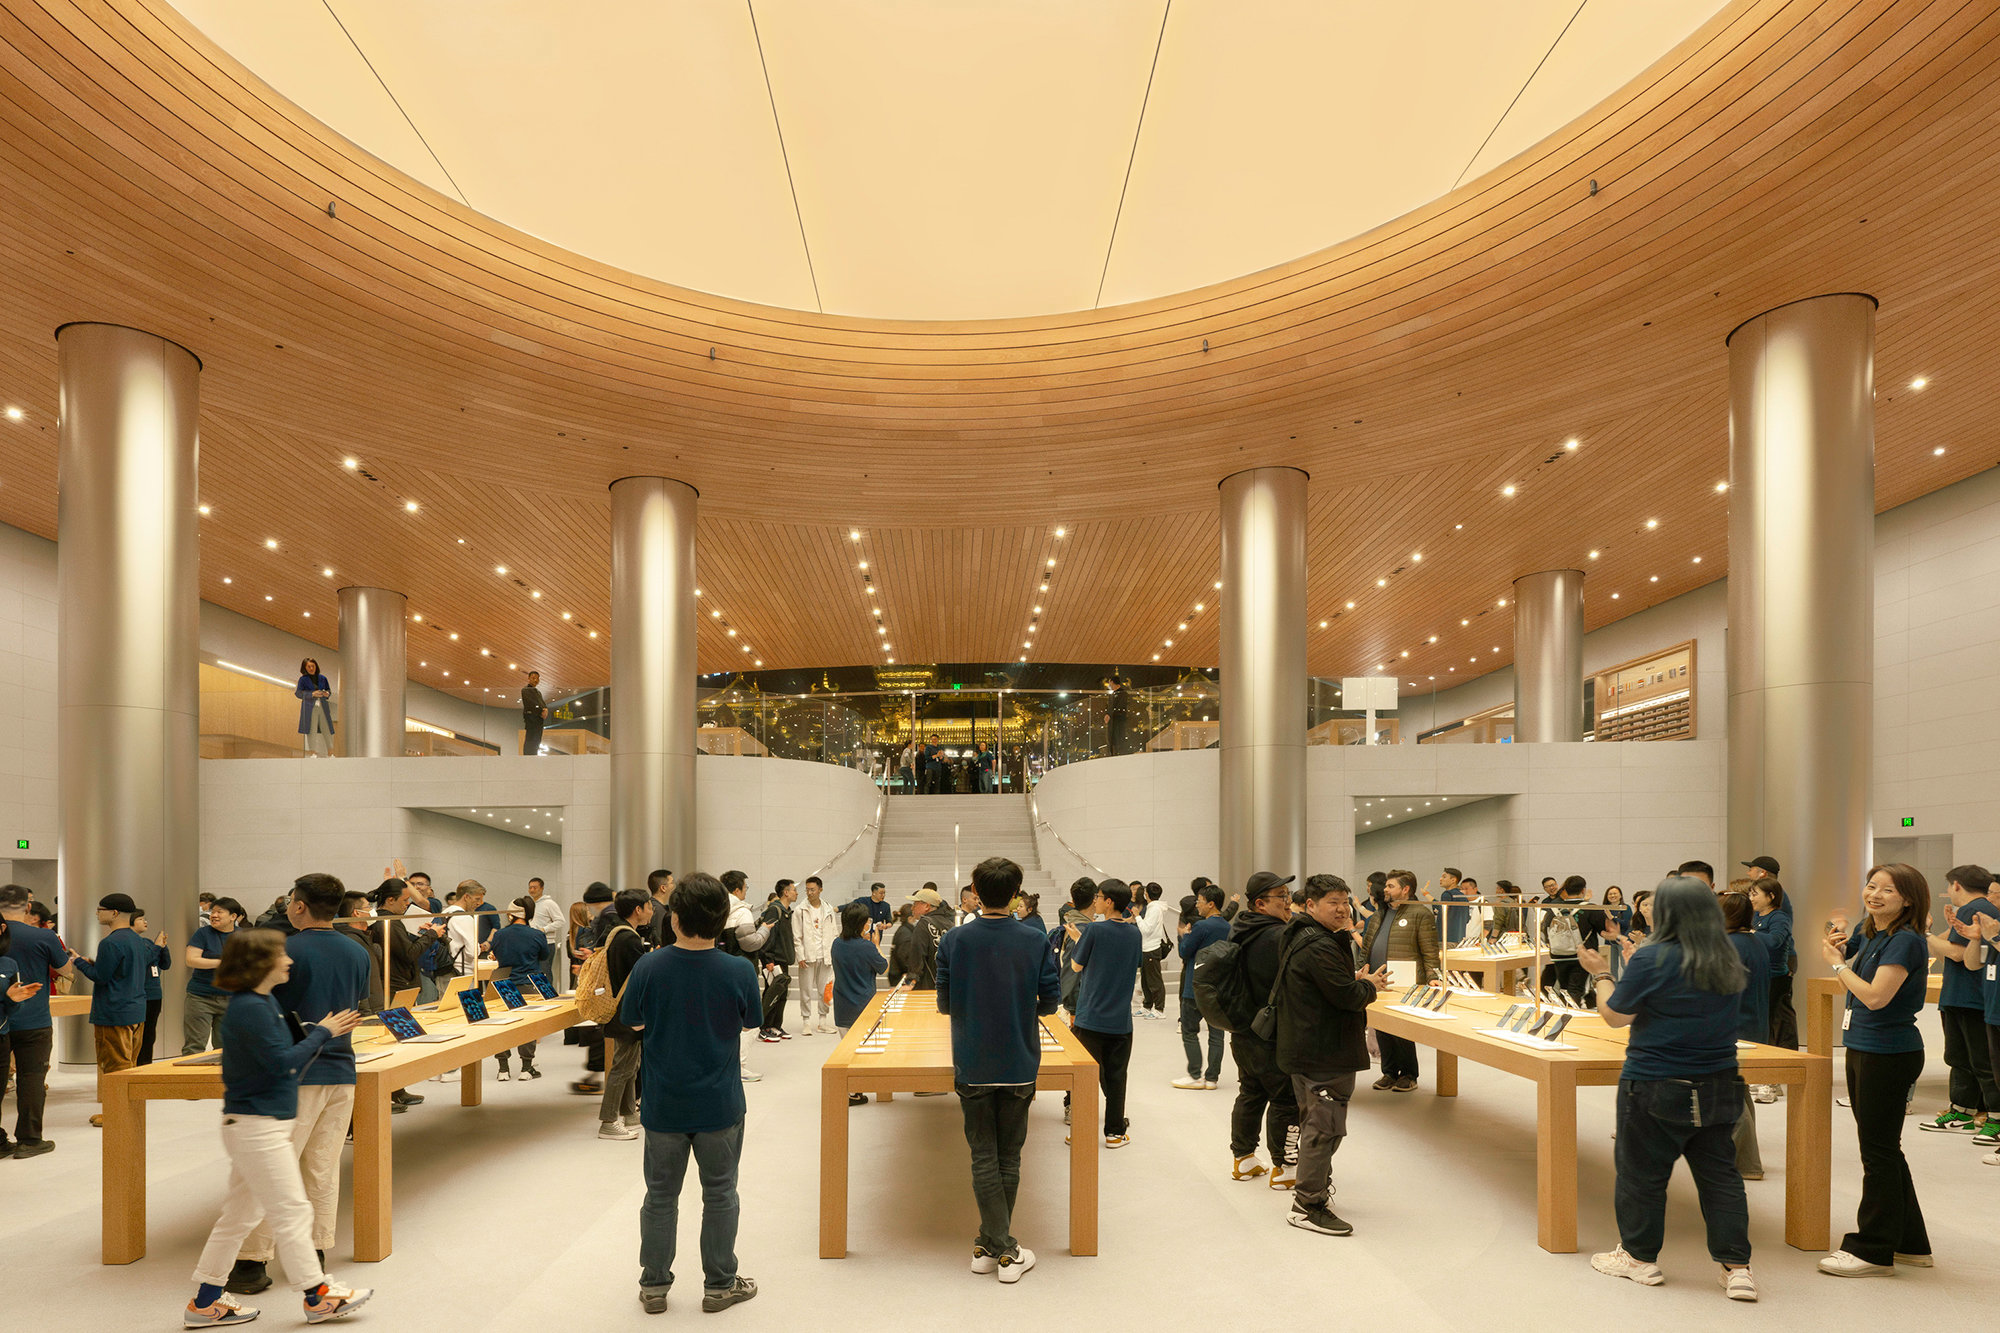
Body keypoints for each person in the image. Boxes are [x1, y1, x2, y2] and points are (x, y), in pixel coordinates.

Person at [1574, 877, 1755, 1300]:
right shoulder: (1726, 954)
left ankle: (1639, 1259)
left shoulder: (1654, 956)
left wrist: (1601, 974)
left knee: (1642, 1174)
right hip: (1719, 1079)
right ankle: (1737, 1267)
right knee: (1721, 1177)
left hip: (1654, 1079)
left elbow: (1616, 1016)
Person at [182, 928, 370, 1327]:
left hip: (254, 1124)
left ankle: (205, 1302)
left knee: (238, 1218)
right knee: (292, 1211)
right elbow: (281, 1065)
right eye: (281, 955)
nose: (289, 961)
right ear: (261, 964)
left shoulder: (259, 1003)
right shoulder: (251, 1007)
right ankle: (317, 1297)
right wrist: (323, 1032)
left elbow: (279, 1060)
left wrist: (316, 1035)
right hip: (257, 1127)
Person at [223, 874, 373, 1297]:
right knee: (322, 1168)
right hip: (342, 1069)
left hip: (295, 1073)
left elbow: (267, 1011)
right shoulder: (357, 950)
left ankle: (253, 1261)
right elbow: (356, 1004)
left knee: (272, 1170)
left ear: (300, 905)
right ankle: (316, 1252)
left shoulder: (283, 951)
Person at [619, 872, 761, 1314]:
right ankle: (720, 1284)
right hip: (720, 1101)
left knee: (660, 1195)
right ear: (723, 919)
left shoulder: (649, 965)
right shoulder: (739, 968)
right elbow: (749, 1023)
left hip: (664, 1102)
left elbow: (634, 1023)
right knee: (720, 1193)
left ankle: (654, 1286)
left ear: (674, 917)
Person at [936, 856, 1060, 1283]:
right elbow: (1050, 1001)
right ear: (1016, 893)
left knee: (982, 1155)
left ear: (974, 889)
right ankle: (1006, 1249)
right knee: (1010, 1154)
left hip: (972, 1060)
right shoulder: (1035, 939)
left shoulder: (954, 940)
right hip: (1020, 1059)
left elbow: (944, 1003)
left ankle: (991, 1244)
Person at [1817, 862, 1932, 1277]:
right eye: (1870, 885)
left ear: (1908, 899)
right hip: (1865, 1047)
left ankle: (1873, 1249)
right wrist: (1843, 951)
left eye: (1887, 889)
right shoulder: (1875, 933)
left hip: (1889, 1052)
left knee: (1878, 1152)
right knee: (1885, 1149)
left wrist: (1836, 964)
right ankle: (1910, 1243)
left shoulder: (1905, 941)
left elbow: (1876, 997)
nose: (1875, 894)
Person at [1274, 875, 1388, 1236]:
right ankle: (1307, 1205)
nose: (1342, 909)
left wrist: (1350, 979)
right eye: (1332, 903)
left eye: (1345, 901)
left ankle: (1315, 1190)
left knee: (1318, 1124)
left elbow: (1328, 987)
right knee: (1324, 1128)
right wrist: (1366, 986)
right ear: (1311, 905)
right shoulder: (1319, 945)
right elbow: (1347, 997)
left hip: (1310, 1046)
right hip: (1322, 1051)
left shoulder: (1304, 935)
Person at [1227, 871, 1300, 1185]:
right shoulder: (1277, 936)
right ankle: (1284, 1168)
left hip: (1243, 1029)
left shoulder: (1240, 929)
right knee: (1286, 1099)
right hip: (1273, 1032)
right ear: (1260, 903)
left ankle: (1243, 1159)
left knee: (1250, 1092)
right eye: (1281, 896)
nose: (1288, 902)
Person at [1920, 865, 1999, 1137]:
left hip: (1970, 998)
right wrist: (1930, 935)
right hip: (1964, 997)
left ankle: (1992, 1118)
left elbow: (1954, 953)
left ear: (1956, 885)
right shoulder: (1974, 910)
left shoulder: (1973, 909)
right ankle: (1962, 1110)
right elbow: (1951, 947)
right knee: (1961, 1058)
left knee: (1979, 1061)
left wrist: (1925, 934)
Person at [1068, 879, 1142, 1148]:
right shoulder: (1135, 933)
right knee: (1116, 1078)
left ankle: (1080, 1131)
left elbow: (1076, 966)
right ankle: (1114, 1133)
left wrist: (1079, 940)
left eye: (1099, 897)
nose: (1096, 900)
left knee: (1084, 1078)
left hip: (1089, 1018)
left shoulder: (1094, 931)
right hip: (1120, 1021)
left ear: (1109, 901)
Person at [69, 893, 150, 1128]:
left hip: (114, 1012)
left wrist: (79, 962)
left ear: (114, 913)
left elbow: (101, 977)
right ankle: (128, 1109)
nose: (97, 913)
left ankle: (116, 1113)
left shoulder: (111, 942)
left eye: (100, 909)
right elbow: (121, 972)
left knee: (115, 1067)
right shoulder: (137, 940)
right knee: (129, 1064)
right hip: (135, 1009)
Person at [1, 883, 69, 1159]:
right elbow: (64, 968)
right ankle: (29, 1139)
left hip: (2, 1020)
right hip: (34, 1019)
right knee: (32, 1077)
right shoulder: (43, 936)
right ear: (28, 907)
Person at [1359, 870, 1440, 1093]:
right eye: (1386, 886)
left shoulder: (1420, 913)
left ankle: (1408, 1074)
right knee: (1383, 1027)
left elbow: (1430, 951)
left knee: (1402, 1030)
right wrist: (1361, 968)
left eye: (1391, 886)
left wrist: (1433, 977)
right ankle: (1389, 1072)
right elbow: (1366, 948)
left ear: (1405, 889)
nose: (1385, 889)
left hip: (1406, 982)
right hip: (1378, 980)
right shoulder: (1378, 915)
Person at [1718, 892, 1772, 1181]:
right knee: (1739, 1090)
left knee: (1730, 1097)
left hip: (1733, 1028)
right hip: (1753, 1024)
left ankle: (1747, 1163)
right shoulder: (1755, 941)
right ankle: (1743, 1160)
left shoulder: (1729, 945)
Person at [599, 889, 657, 1140]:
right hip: (628, 1013)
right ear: (638, 910)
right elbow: (639, 978)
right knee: (623, 1067)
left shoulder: (617, 933)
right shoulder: (629, 939)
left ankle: (628, 1113)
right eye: (649, 906)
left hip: (620, 1010)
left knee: (629, 1065)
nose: (652, 911)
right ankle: (608, 1121)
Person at [1173, 884, 1230, 1091]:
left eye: (1200, 901)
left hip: (1194, 986)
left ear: (1211, 904)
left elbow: (1184, 952)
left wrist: (1184, 935)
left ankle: (1195, 1075)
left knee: (1189, 1031)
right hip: (1219, 987)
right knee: (1217, 1034)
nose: (1197, 904)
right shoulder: (1228, 927)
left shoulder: (1200, 927)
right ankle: (1212, 1078)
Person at [831, 903, 887, 1105]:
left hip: (843, 1004)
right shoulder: (867, 947)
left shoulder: (836, 944)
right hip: (864, 1005)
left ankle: (853, 1091)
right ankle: (856, 1089)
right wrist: (876, 944)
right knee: (863, 1050)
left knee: (847, 1049)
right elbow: (883, 967)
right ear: (861, 924)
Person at [1957, 903, 2000, 1162]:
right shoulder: (1993, 928)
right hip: (1993, 1011)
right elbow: (1972, 964)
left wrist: (1994, 937)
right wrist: (1976, 939)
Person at [491, 897, 552, 1081]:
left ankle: (503, 1069)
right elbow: (544, 956)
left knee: (503, 1025)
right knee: (527, 1026)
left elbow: (496, 952)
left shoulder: (500, 935)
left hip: (503, 984)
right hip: (529, 984)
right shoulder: (537, 935)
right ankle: (526, 1068)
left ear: (510, 914)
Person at [719, 871, 772, 1083]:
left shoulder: (716, 909)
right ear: (738, 889)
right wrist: (765, 930)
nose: (746, 892)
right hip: (742, 969)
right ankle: (739, 1066)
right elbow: (751, 943)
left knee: (725, 1019)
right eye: (745, 888)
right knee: (749, 1021)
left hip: (719, 966)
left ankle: (727, 1063)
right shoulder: (742, 912)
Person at [184, 896, 247, 1054]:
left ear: (233, 917)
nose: (214, 915)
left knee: (225, 1049)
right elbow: (191, 960)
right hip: (201, 997)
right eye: (213, 911)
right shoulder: (202, 933)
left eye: (220, 912)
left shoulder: (243, 935)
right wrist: (222, 962)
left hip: (232, 998)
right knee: (194, 1046)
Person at [754, 882, 797, 1042]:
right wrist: (768, 960)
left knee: (782, 994)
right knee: (771, 994)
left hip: (783, 959)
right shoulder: (775, 910)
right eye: (794, 890)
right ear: (786, 892)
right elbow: (767, 935)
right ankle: (763, 1027)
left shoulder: (786, 911)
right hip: (774, 961)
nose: (796, 893)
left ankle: (775, 1025)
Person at [793, 877, 836, 1036]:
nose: (809, 893)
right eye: (807, 890)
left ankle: (823, 1022)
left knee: (824, 989)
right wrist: (800, 955)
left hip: (825, 955)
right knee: (805, 989)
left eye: (813, 889)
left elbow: (834, 932)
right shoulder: (800, 910)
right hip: (808, 956)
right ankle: (806, 1021)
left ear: (820, 890)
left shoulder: (828, 909)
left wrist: (833, 952)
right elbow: (796, 936)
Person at [131, 909, 171, 1065]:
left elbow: (166, 964)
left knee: (149, 1034)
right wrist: (157, 947)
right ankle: (135, 1066)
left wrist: (163, 947)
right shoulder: (130, 943)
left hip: (154, 995)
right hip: (139, 995)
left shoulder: (147, 942)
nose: (145, 921)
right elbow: (142, 962)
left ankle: (145, 1065)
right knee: (136, 1035)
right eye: (141, 919)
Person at [888, 888, 943, 989]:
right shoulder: (947, 922)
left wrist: (911, 981)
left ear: (926, 906)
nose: (913, 908)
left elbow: (918, 955)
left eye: (915, 904)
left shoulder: (923, 924)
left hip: (927, 984)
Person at [1133, 883, 1171, 1021]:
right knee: (1145, 981)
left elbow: (1146, 929)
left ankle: (1159, 1009)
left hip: (1152, 948)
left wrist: (1137, 916)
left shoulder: (1154, 909)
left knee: (1154, 981)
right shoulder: (1153, 907)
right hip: (1147, 948)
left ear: (1146, 894)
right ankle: (1147, 1006)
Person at [294, 657, 334, 758]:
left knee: (327, 729)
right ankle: (313, 753)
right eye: (309, 667)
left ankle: (331, 752)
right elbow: (298, 693)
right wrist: (312, 694)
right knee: (311, 729)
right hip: (309, 708)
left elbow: (329, 691)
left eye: (313, 666)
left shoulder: (323, 678)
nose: (311, 668)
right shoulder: (303, 679)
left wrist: (326, 694)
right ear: (305, 668)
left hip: (322, 706)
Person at [528, 876, 567, 962]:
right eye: (530, 887)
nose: (532, 890)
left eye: (535, 887)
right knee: (536, 973)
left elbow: (560, 921)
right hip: (533, 943)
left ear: (542, 888)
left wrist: (544, 929)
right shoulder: (531, 904)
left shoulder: (549, 903)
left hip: (546, 943)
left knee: (545, 971)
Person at [1437, 867, 1472, 945]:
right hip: (1460, 939)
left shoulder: (1447, 894)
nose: (1440, 879)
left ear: (1453, 880)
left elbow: (1442, 916)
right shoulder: (1463, 897)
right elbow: (1467, 919)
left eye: (1444, 877)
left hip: (1446, 938)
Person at [520, 669, 548, 755]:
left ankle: (533, 755)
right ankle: (528, 756)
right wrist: (542, 710)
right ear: (529, 678)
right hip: (531, 718)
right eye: (533, 678)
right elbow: (531, 704)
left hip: (538, 719)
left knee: (537, 740)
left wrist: (545, 709)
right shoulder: (525, 690)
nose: (535, 680)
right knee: (531, 738)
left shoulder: (538, 692)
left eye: (537, 678)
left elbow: (542, 704)